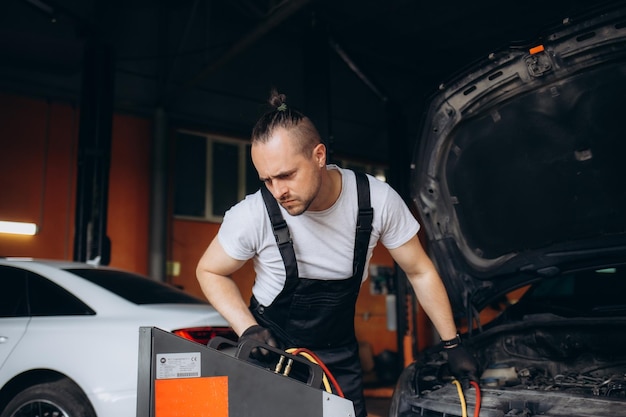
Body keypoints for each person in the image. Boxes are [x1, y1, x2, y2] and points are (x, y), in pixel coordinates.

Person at [196, 89, 478, 417]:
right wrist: (247, 330)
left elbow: (420, 271)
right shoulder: (253, 214)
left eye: (286, 175)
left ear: (319, 155)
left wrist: (453, 345)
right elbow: (210, 270)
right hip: (271, 356)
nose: (278, 191)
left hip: (339, 360)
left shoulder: (376, 200)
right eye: (268, 180)